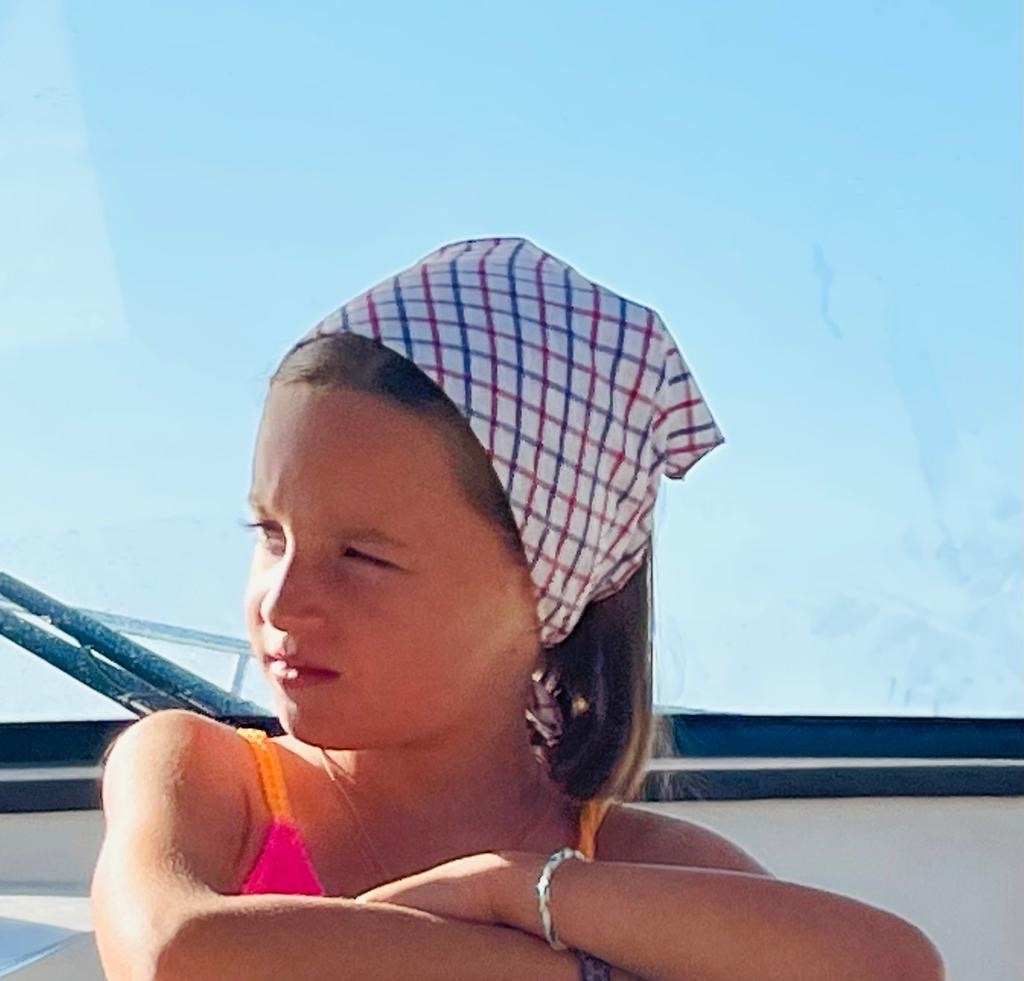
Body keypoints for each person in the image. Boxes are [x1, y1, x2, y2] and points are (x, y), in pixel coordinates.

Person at [91, 237, 944, 980]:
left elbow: (897, 968)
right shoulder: (207, 778)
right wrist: (592, 970)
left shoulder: (622, 861)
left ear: (547, 588)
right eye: (271, 534)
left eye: (361, 556)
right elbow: (174, 952)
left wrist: (506, 887)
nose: (283, 599)